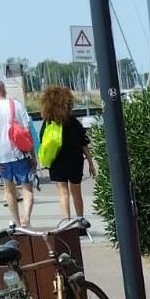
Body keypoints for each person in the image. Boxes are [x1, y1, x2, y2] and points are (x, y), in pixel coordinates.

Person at [0, 80, 37, 228]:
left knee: (9, 190)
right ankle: (26, 218)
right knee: (27, 188)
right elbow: (27, 131)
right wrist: (33, 154)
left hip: (0, 156)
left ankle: (17, 222)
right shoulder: (16, 105)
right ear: (4, 90)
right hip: (19, 153)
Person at [39, 86, 96, 222]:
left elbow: (42, 141)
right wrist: (91, 163)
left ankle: (67, 222)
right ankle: (81, 221)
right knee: (76, 192)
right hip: (75, 160)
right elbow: (84, 143)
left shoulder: (47, 123)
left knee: (62, 193)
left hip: (56, 161)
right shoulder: (73, 122)